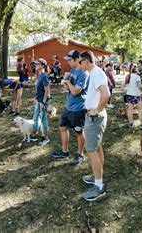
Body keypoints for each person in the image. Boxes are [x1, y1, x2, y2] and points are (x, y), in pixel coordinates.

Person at [79, 51, 110, 202]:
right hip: (95, 117)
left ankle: (99, 187)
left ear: (86, 61)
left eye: (80, 62)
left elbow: (106, 95)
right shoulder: (95, 73)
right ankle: (97, 175)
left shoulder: (96, 73)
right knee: (97, 148)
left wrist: (96, 110)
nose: (79, 65)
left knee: (91, 150)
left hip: (95, 118)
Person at [52, 50, 89, 165]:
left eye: (69, 60)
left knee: (79, 132)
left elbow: (76, 91)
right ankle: (65, 151)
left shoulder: (84, 73)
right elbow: (70, 89)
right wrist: (66, 85)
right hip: (69, 106)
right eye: (67, 60)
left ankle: (80, 154)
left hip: (78, 108)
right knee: (63, 127)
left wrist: (67, 82)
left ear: (77, 59)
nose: (68, 62)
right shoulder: (73, 70)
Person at [30, 58, 51, 146]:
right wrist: (36, 98)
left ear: (42, 65)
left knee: (43, 119)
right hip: (39, 100)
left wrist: (43, 102)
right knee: (36, 117)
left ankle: (45, 138)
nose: (36, 65)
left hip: (43, 101)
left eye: (38, 64)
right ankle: (34, 134)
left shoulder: (44, 76)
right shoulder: (39, 75)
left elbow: (47, 91)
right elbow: (39, 89)